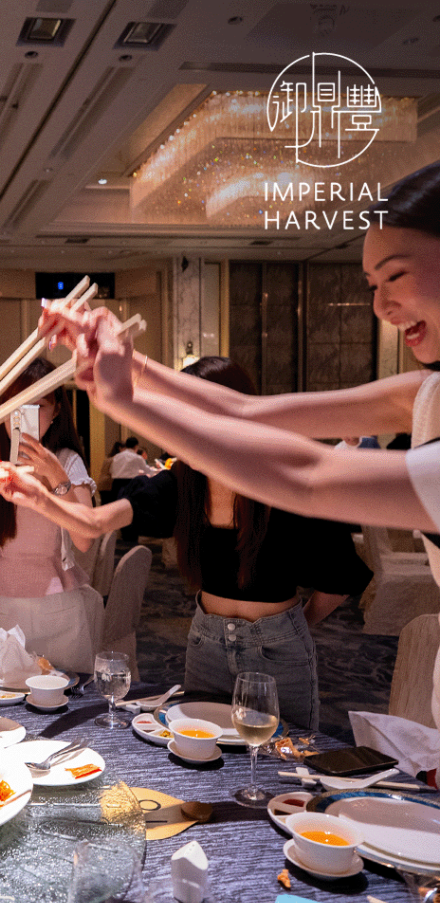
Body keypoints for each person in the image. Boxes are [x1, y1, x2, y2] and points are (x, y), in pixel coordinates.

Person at [36, 159, 440, 773]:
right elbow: (252, 411)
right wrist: (133, 366)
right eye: (370, 284)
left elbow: (305, 476)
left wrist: (124, 401)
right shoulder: (428, 391)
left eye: (396, 276)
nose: (381, 305)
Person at [0, 357, 371, 728]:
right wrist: (44, 491)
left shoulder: (283, 482)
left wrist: (292, 628)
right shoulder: (183, 483)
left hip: (280, 655)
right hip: (207, 647)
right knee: (203, 764)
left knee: (280, 761)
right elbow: (94, 523)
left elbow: (339, 577)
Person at [0, 357, 100, 673]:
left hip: (59, 609)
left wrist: (55, 476)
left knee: (64, 701)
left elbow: (85, 539)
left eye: (38, 407)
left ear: (57, 410)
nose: (24, 417)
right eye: (15, 406)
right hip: (0, 608)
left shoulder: (67, 462)